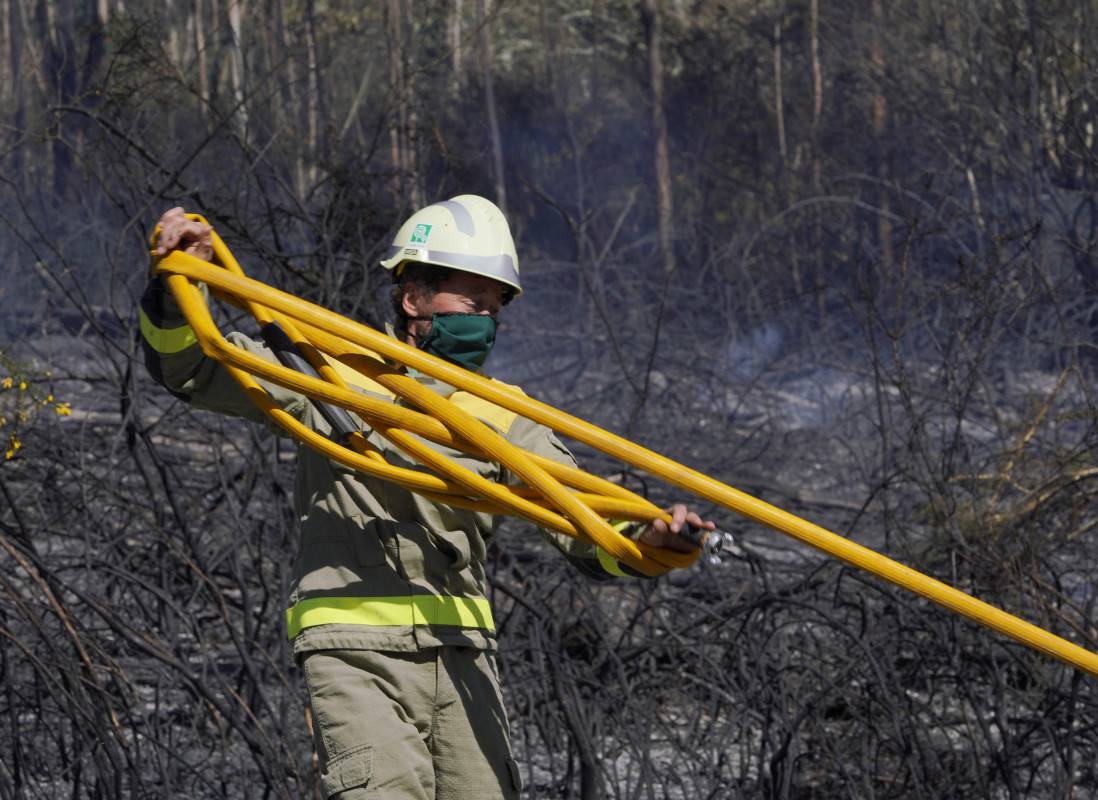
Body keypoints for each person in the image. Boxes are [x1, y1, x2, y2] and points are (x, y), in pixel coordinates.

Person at [139, 195, 713, 799]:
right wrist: (175, 288)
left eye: (495, 310)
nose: (486, 322)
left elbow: (576, 521)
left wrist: (647, 542)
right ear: (414, 298)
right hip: (355, 652)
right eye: (472, 303)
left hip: (463, 659)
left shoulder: (507, 413)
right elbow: (191, 368)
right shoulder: (331, 370)